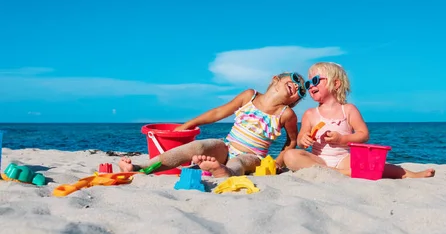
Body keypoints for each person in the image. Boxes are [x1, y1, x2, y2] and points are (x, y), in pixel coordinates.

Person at [119, 72, 307, 177]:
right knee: (199, 146)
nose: (298, 87)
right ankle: (141, 167)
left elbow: (291, 142)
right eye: (295, 80)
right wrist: (189, 124)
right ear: (276, 79)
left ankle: (223, 172)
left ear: (293, 101)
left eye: (301, 91)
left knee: (238, 162)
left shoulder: (286, 114)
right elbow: (218, 112)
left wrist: (275, 163)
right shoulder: (249, 96)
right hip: (226, 147)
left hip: (253, 156)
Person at [283, 62, 435, 178]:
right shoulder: (310, 114)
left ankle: (410, 175)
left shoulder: (348, 109)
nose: (310, 86)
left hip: (344, 158)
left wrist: (342, 139)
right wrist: (305, 139)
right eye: (308, 83)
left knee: (374, 162)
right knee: (290, 156)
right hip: (320, 160)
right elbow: (301, 140)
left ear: (336, 84)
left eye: (315, 80)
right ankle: (341, 173)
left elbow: (363, 134)